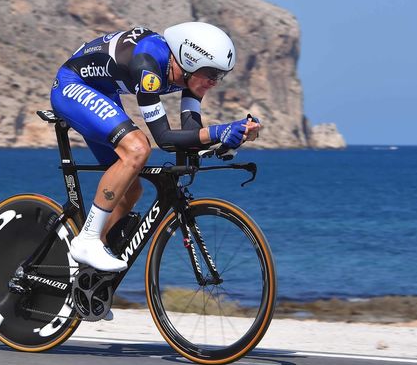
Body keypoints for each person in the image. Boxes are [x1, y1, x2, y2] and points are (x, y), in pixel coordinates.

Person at [50, 22, 261, 273]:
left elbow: (190, 132)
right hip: (71, 86)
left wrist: (229, 139)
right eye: (212, 74)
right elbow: (164, 138)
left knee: (130, 191)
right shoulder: (147, 65)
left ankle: (88, 269)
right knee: (138, 149)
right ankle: (87, 240)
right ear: (190, 61)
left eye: (220, 76)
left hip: (104, 92)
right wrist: (218, 131)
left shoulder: (189, 76)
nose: (215, 82)